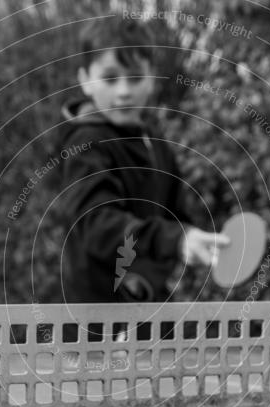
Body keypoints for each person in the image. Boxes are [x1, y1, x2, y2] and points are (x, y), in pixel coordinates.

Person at [55, 15, 227, 303]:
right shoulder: (85, 143)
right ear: (86, 81)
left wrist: (192, 240)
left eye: (135, 77)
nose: (123, 91)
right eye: (110, 78)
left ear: (151, 79)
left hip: (149, 304)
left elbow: (173, 218)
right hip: (97, 314)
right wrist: (173, 239)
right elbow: (97, 224)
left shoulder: (157, 145)